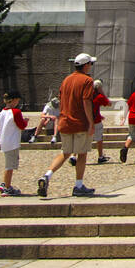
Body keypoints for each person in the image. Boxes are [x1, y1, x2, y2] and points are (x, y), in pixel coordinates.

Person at [38, 54, 96, 198]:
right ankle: (78, 185)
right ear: (86, 65)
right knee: (82, 154)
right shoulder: (87, 80)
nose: (91, 67)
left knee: (65, 153)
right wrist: (91, 122)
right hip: (80, 122)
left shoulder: (66, 80)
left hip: (65, 122)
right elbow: (86, 102)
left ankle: (47, 175)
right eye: (90, 64)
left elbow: (61, 99)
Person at [0, 91, 28, 196]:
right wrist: (26, 121)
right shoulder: (16, 112)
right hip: (12, 142)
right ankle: (7, 187)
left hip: (4, 140)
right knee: (10, 166)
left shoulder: (2, 112)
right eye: (18, 100)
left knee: (8, 163)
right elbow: (21, 125)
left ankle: (4, 183)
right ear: (14, 100)